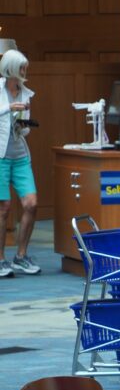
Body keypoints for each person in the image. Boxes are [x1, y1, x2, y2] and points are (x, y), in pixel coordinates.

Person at [0, 49, 41, 277]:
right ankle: (0, 259)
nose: (25, 72)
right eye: (22, 67)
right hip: (0, 157)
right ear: (12, 68)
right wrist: (9, 109)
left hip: (20, 156)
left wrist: (22, 126)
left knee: (31, 204)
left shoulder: (26, 94)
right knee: (3, 209)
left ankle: (21, 256)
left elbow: (24, 130)